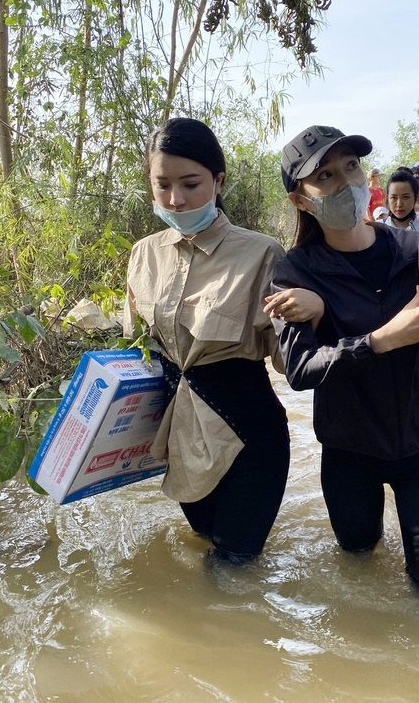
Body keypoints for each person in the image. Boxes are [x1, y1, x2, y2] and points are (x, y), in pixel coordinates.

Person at [264, 124, 419, 592]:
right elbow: (299, 370)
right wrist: (381, 338)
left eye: (351, 167)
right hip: (348, 454)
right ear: (301, 199)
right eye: (327, 177)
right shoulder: (295, 272)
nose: (346, 183)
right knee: (359, 569)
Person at [123, 117, 322, 564]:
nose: (176, 199)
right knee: (206, 542)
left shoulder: (262, 253)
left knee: (230, 569)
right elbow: (137, 354)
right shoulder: (143, 255)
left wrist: (317, 310)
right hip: (182, 440)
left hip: (249, 438)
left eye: (191, 184)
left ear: (217, 181)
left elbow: (296, 362)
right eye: (163, 185)